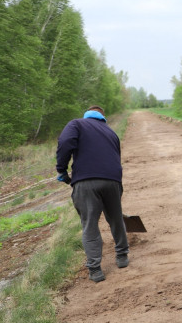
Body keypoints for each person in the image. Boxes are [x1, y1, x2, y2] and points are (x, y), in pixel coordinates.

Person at [56, 105, 129, 282]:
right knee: (115, 218)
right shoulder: (111, 132)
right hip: (113, 180)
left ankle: (95, 269)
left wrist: (62, 169)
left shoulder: (77, 124)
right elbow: (115, 157)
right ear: (103, 117)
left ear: (87, 115)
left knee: (89, 224)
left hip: (86, 181)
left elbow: (65, 142)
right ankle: (122, 256)